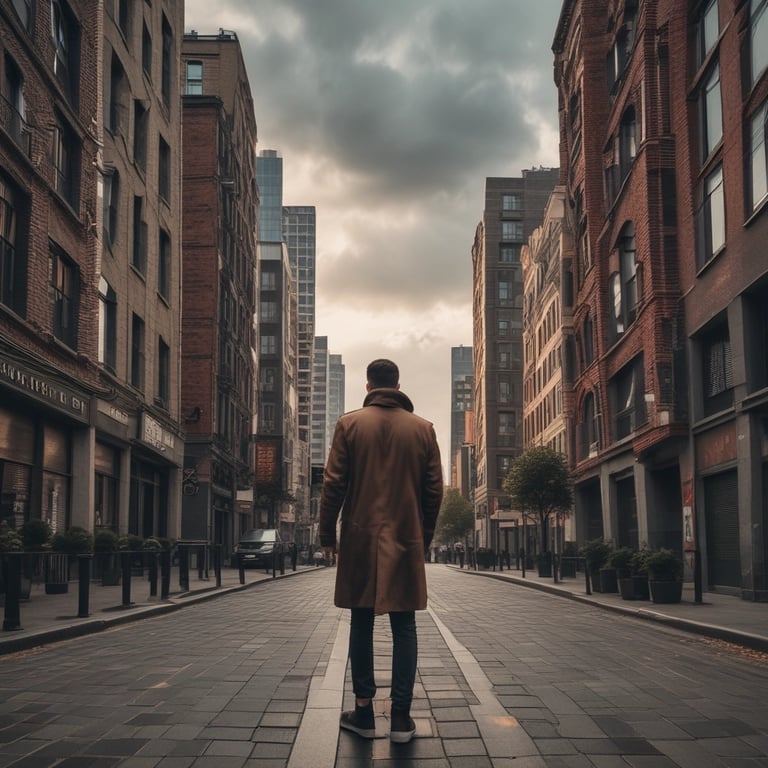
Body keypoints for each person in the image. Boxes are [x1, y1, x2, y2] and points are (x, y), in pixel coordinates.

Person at [319, 359, 443, 744]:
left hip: (360, 537)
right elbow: (434, 490)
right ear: (398, 383)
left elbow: (333, 483)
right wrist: (423, 534)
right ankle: (402, 717)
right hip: (406, 539)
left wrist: (327, 535)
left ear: (368, 384)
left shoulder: (350, 424)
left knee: (361, 622)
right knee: (405, 625)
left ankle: (363, 711)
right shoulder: (424, 429)